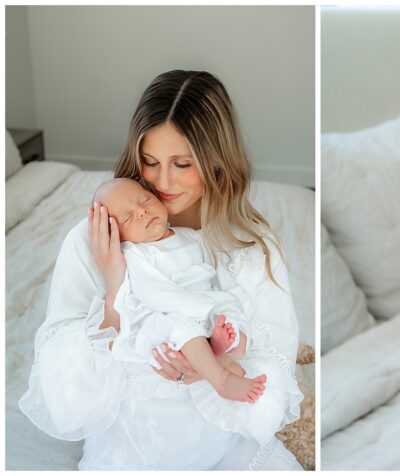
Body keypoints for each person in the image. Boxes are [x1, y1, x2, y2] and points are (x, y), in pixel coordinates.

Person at [18, 70, 303, 470]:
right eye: (150, 162)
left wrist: (211, 369)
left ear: (217, 160)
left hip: (224, 452)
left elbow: (270, 392)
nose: (163, 183)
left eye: (182, 164)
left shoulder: (251, 247)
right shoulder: (95, 241)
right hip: (128, 453)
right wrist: (114, 287)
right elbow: (66, 403)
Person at [95, 178, 267, 405]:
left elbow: (210, 276)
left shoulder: (192, 236)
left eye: (145, 200)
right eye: (128, 217)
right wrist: (200, 307)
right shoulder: (136, 252)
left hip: (201, 305)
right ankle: (222, 379)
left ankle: (221, 350)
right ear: (117, 235)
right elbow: (152, 293)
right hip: (163, 318)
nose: (142, 212)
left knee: (234, 311)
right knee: (181, 325)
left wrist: (218, 308)